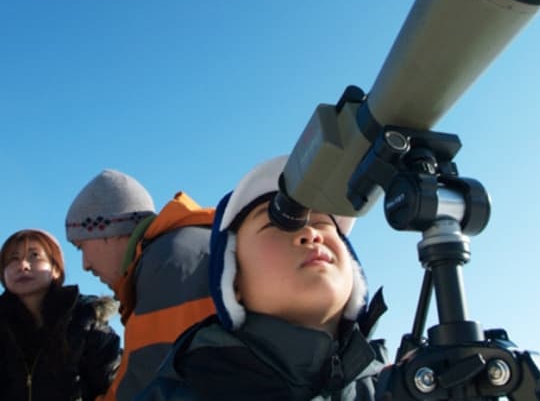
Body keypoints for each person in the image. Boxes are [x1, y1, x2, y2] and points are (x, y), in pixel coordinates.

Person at [136, 155, 389, 401]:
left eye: (323, 222)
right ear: (233, 282)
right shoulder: (176, 393)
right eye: (275, 224)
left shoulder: (394, 387)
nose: (311, 233)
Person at [65, 169, 216, 401]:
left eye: (81, 247)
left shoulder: (168, 266)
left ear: (110, 232)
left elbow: (145, 387)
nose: (85, 265)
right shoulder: (181, 250)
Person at [0, 229, 121, 401]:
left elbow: (111, 386)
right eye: (13, 259)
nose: (23, 265)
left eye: (34, 256)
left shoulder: (86, 318)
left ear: (56, 269)